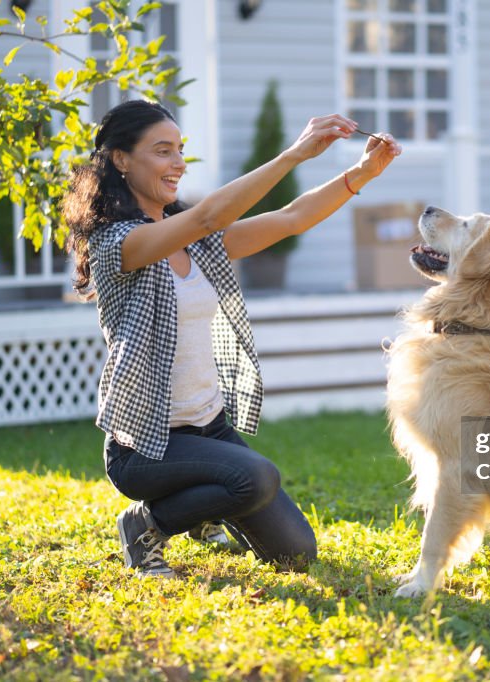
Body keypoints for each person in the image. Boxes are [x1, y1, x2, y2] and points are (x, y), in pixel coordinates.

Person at [63, 99, 401, 578]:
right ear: (121, 159)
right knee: (257, 476)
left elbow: (291, 218)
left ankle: (203, 512)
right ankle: (146, 525)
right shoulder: (117, 243)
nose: (177, 163)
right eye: (162, 151)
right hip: (146, 446)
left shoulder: (195, 243)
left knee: (295, 554)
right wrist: (293, 155)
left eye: (180, 150)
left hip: (210, 427)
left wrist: (363, 172)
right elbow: (207, 217)